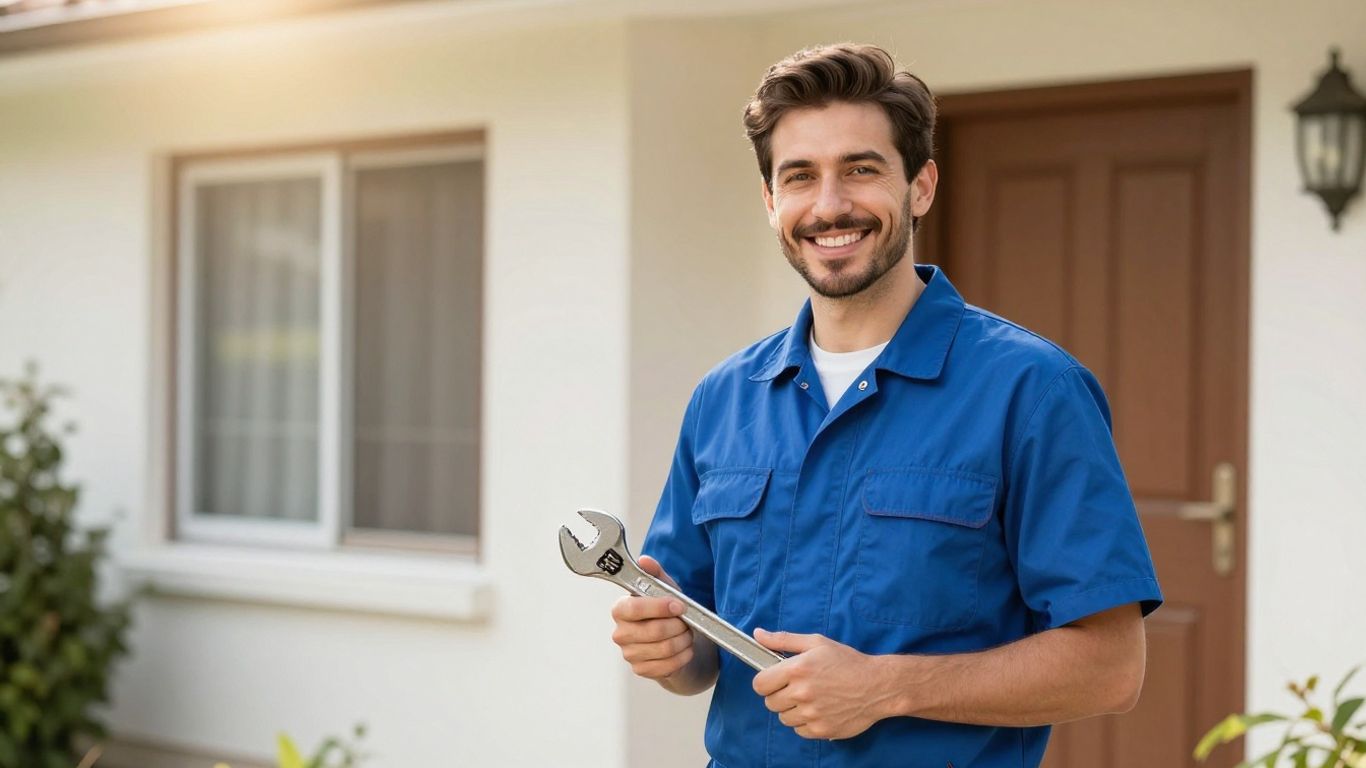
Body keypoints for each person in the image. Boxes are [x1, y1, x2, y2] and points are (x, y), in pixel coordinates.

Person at [610, 43, 1163, 768]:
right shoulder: (723, 399)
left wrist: (886, 688)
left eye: (861, 170)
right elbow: (699, 663)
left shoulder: (1031, 390)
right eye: (800, 177)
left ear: (921, 185)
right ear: (772, 201)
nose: (829, 205)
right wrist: (668, 650)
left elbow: (1111, 667)